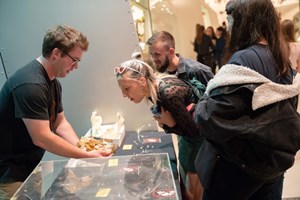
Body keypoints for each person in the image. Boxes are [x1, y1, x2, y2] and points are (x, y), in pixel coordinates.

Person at [193, 0, 300, 199]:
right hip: (271, 166)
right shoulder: (280, 58)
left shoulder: (243, 59)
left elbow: (211, 119)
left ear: (245, 22)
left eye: (231, 20)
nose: (229, 28)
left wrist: (201, 106)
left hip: (238, 172)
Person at [0, 25, 111, 199]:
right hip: (10, 174)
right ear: (56, 53)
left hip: (30, 168)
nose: (75, 66)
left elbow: (60, 122)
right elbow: (42, 137)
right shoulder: (31, 85)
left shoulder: (52, 82)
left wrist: (82, 147)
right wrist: (84, 155)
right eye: (74, 60)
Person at [115, 58, 205, 200]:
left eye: (127, 88)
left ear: (142, 81)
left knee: (192, 194)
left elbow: (195, 132)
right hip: (190, 140)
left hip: (198, 143)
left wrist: (170, 124)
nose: (124, 95)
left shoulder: (168, 93)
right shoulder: (155, 89)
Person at [146, 31, 214, 200]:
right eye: (152, 54)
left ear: (171, 52)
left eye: (157, 54)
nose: (154, 59)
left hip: (202, 142)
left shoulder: (198, 71)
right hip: (184, 139)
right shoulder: (163, 75)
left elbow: (216, 106)